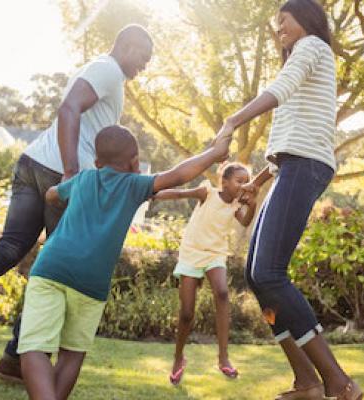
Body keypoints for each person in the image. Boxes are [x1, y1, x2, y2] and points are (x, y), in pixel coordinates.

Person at [0, 25, 153, 388]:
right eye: (143, 56)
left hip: (32, 163)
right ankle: (18, 357)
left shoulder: (98, 69)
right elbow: (69, 109)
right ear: (127, 45)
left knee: (10, 248)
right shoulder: (109, 70)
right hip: (60, 174)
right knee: (54, 271)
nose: (144, 65)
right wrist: (70, 173)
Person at [215, 1, 364, 399]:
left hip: (306, 167)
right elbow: (290, 136)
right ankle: (306, 382)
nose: (278, 27)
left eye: (285, 20)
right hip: (293, 166)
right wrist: (259, 180)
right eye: (276, 22)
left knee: (269, 273)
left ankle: (339, 382)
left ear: (308, 20)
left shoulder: (312, 46)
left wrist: (232, 121)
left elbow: (278, 94)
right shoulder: (303, 55)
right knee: (256, 275)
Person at [18, 125, 231, 400]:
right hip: (91, 283)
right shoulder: (135, 185)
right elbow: (178, 174)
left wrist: (57, 194)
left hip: (52, 269)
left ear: (97, 162)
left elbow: (51, 194)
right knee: (72, 354)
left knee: (34, 349)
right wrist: (214, 152)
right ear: (134, 163)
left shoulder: (84, 179)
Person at [152, 163, 256, 385]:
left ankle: (223, 357)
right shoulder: (206, 192)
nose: (243, 185)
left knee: (222, 293)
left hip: (215, 254)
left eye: (246, 181)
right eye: (239, 180)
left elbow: (245, 221)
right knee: (187, 313)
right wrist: (153, 194)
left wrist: (253, 204)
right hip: (191, 253)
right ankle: (179, 357)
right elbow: (179, 193)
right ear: (224, 182)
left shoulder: (238, 204)